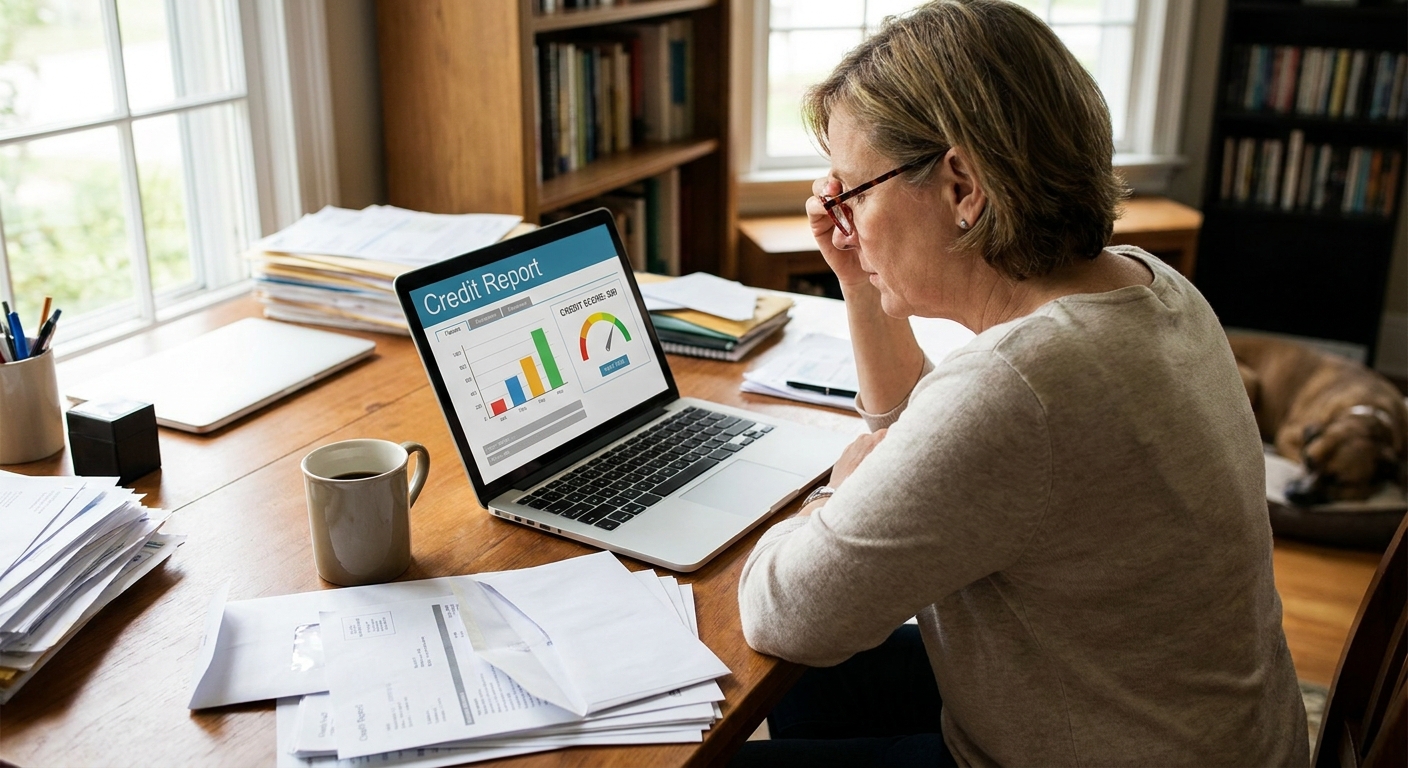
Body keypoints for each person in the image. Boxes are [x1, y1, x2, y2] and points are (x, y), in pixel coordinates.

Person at [731, 1, 1310, 766]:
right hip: (1204, 734)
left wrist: (836, 492)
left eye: (855, 193)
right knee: (815, 677)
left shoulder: (1017, 387)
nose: (843, 216)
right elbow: (941, 454)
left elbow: (781, 611)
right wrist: (865, 285)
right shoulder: (1149, 283)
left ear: (962, 186)